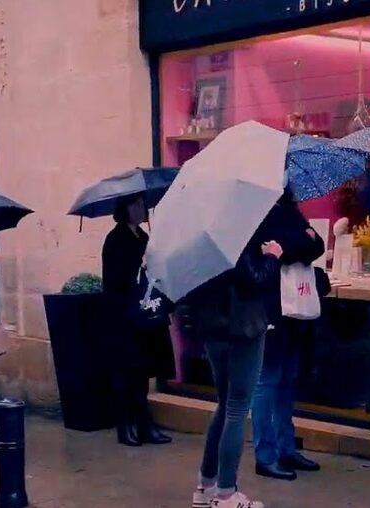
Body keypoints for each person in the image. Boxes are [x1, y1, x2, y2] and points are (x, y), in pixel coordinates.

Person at [179, 233, 283, 508]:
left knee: (224, 405)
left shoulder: (196, 239)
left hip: (212, 329)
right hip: (243, 328)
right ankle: (226, 493)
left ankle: (206, 485)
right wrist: (272, 255)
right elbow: (254, 280)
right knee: (237, 408)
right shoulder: (236, 234)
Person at [252, 192, 325, 480]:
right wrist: (303, 239)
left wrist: (304, 240)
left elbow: (316, 245)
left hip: (295, 311)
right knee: (268, 379)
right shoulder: (262, 211)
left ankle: (286, 447)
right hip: (273, 308)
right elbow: (286, 247)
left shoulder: (291, 211)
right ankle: (265, 454)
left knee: (288, 378)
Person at [102, 193, 175, 447]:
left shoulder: (144, 237)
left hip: (146, 314)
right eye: (136, 204)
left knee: (143, 373)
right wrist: (139, 269)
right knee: (127, 375)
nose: (142, 208)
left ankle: (145, 425)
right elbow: (115, 280)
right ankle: (125, 426)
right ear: (125, 209)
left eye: (143, 204)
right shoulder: (114, 240)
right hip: (125, 317)